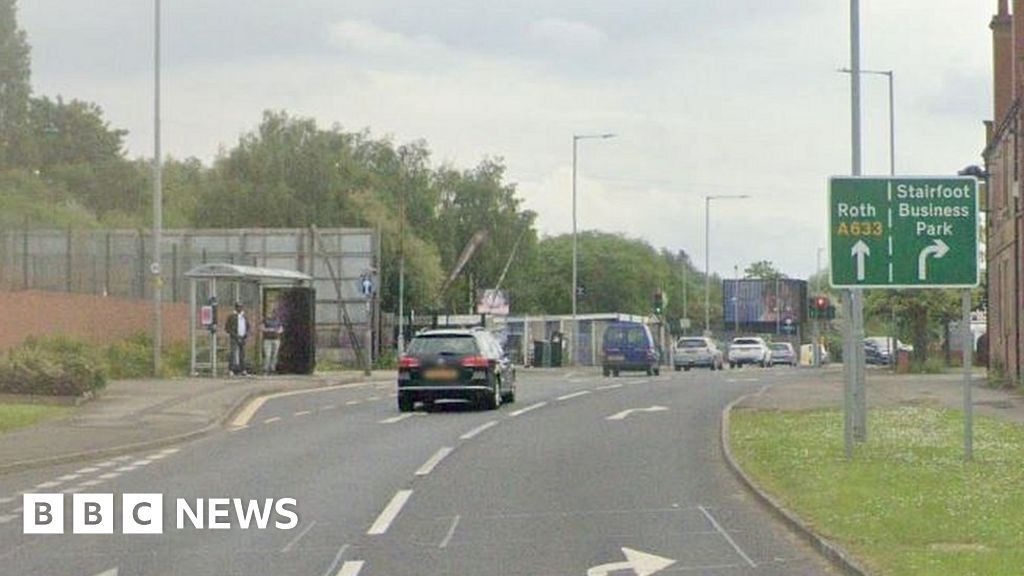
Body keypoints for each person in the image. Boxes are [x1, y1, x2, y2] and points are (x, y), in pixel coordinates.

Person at [225, 301, 249, 376]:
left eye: (241, 307)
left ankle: (243, 369)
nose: (240, 308)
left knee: (242, 354)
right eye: (238, 307)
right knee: (233, 353)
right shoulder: (232, 316)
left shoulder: (244, 316)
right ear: (236, 308)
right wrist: (234, 335)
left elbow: (248, 326)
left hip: (243, 337)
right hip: (234, 337)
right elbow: (227, 328)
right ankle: (231, 369)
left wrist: (246, 334)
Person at [262, 310, 284, 375]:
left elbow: (281, 329)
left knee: (274, 355)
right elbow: (262, 328)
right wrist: (269, 330)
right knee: (267, 355)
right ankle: (266, 369)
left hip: (276, 339)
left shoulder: (278, 321)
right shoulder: (266, 320)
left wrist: (278, 331)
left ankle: (272, 369)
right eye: (272, 313)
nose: (273, 315)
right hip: (267, 339)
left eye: (275, 313)